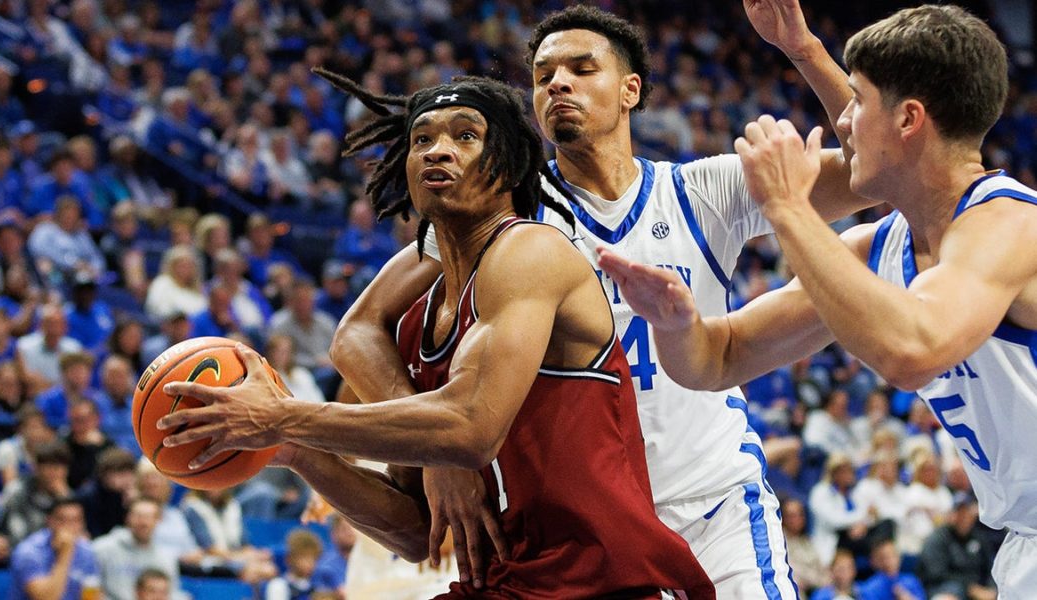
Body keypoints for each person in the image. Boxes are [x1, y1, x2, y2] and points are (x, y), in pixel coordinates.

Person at [329, 2, 871, 593]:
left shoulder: (702, 191)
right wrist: (435, 454)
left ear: (630, 90)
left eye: (582, 69)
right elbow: (357, 333)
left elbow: (874, 174)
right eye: (542, 76)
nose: (557, 82)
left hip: (714, 502)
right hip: (588, 525)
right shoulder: (502, 214)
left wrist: (804, 51)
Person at [159, 75, 715, 598]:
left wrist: (282, 415)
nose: (436, 150)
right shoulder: (414, 326)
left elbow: (469, 429)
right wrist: (296, 451)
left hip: (607, 581)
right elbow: (413, 532)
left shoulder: (530, 251)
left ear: (507, 165)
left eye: (466, 136)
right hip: (509, 582)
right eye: (421, 139)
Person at [598, 3, 1037, 596]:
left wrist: (786, 206)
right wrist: (675, 323)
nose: (843, 123)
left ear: (909, 120)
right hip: (1021, 543)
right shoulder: (876, 250)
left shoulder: (1009, 224)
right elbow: (718, 359)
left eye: (857, 102)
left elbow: (914, 349)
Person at [8, 496, 100, 600]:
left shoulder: (86, 550)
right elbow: (46, 598)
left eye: (76, 520)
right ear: (50, 521)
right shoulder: (28, 552)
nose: (70, 527)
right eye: (63, 520)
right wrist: (66, 552)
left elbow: (93, 594)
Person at [92, 497, 181, 600]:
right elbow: (91, 587)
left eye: (149, 517)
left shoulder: (167, 558)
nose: (143, 523)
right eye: (138, 516)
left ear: (158, 520)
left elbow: (172, 594)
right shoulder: (102, 548)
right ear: (127, 518)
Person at [916, 492, 997, 600]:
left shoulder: (979, 537)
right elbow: (937, 574)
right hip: (944, 588)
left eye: (966, 512)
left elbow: (989, 568)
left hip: (978, 589)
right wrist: (970, 588)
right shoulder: (937, 539)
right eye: (959, 512)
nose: (963, 517)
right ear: (951, 515)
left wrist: (991, 589)